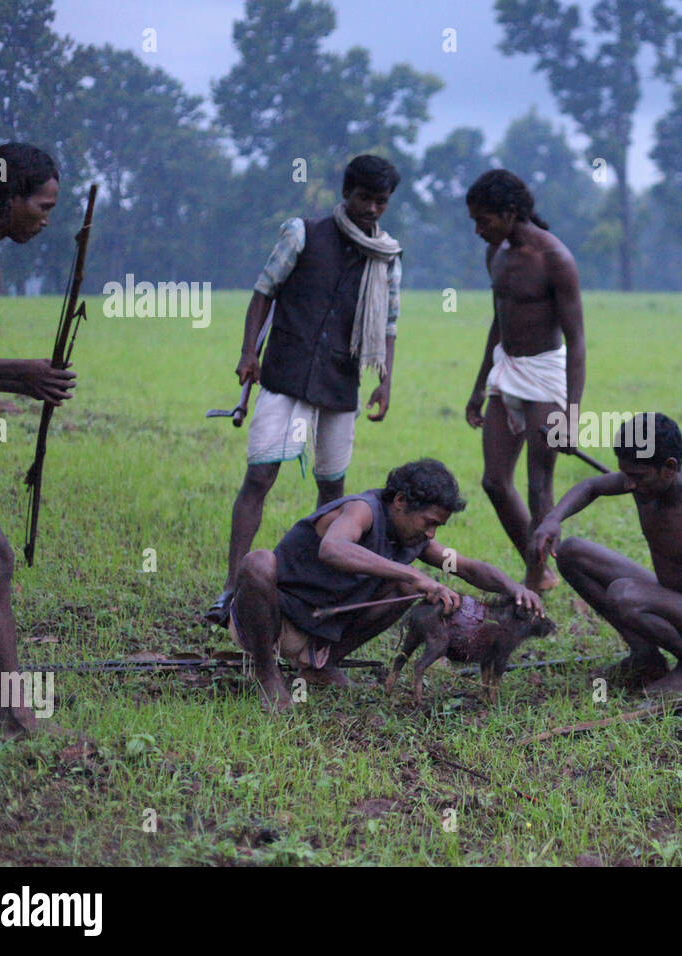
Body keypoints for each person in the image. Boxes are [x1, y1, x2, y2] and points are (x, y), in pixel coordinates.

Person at [205, 155, 404, 625]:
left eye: (381, 201)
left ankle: (313, 585)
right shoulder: (302, 233)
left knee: (332, 489)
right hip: (285, 374)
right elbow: (263, 291)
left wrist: (385, 382)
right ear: (346, 193)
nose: (372, 209)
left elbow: (390, 323)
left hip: (341, 381)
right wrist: (248, 352)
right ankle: (232, 586)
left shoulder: (388, 257)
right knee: (259, 478)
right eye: (364, 198)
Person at [229, 457, 543, 713]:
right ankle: (267, 675)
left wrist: (512, 588)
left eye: (438, 526)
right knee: (258, 562)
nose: (432, 534)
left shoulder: (416, 540)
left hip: (318, 626)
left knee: (406, 590)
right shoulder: (362, 511)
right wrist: (413, 574)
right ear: (401, 501)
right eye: (429, 522)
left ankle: (321, 664)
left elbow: (464, 566)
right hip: (271, 622)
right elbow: (333, 548)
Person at [0, 143, 76, 737]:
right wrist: (15, 373)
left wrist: (29, 384)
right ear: (10, 198)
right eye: (43, 206)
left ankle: (16, 714)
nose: (47, 219)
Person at [528, 413, 682, 701]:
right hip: (673, 598)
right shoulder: (642, 484)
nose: (628, 485)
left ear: (669, 467)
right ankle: (645, 656)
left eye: (637, 477)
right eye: (625, 474)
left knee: (624, 594)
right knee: (571, 552)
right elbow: (591, 487)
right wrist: (553, 519)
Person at [464, 169, 584, 594]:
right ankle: (538, 567)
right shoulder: (495, 254)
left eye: (484, 220)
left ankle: (536, 580)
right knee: (494, 481)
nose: (478, 230)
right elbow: (499, 322)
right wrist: (480, 386)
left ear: (511, 213)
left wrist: (571, 416)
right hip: (507, 369)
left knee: (539, 486)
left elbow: (577, 341)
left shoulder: (556, 259)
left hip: (546, 374)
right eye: (474, 221)